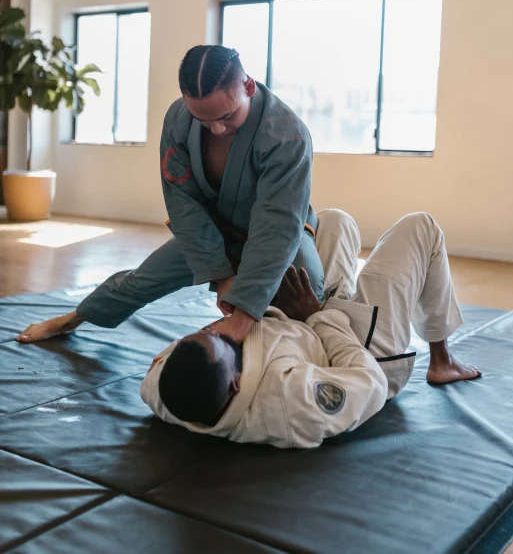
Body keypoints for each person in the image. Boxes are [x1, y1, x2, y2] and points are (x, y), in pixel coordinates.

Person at [16, 45, 324, 345]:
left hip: (280, 233)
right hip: (214, 229)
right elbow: (182, 200)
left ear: (248, 86)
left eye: (228, 116)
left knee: (307, 289)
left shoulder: (286, 135)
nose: (216, 129)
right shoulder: (178, 118)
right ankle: (72, 319)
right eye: (204, 119)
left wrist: (242, 314)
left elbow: (277, 225)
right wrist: (220, 272)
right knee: (141, 280)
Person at [140, 210, 482, 449]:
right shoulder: (292, 406)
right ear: (236, 382)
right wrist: (315, 316)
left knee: (333, 221)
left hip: (301, 323)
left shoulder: (164, 390)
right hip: (364, 352)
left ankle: (317, 305)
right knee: (420, 227)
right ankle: (442, 360)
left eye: (205, 332)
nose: (214, 330)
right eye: (218, 339)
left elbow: (162, 366)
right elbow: (369, 382)